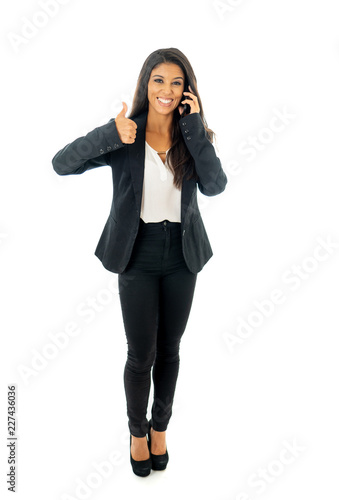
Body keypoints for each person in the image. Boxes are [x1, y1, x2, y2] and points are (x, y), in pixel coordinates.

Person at [52, 47, 227, 477]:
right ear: (146, 85)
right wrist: (108, 133)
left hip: (183, 253)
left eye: (176, 82)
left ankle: (160, 428)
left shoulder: (193, 134)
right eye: (159, 81)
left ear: (188, 90)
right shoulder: (126, 134)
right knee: (140, 354)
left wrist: (194, 127)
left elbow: (216, 186)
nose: (167, 90)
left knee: (171, 349)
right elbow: (61, 165)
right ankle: (136, 431)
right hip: (138, 252)